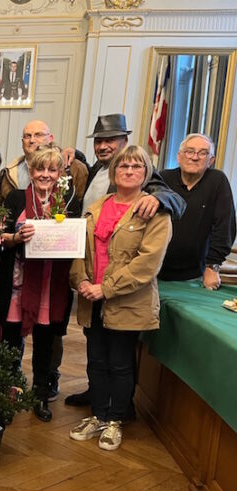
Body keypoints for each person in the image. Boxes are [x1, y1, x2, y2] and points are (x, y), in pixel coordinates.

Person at [63, 114, 186, 408]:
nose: (104, 146)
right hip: (92, 279)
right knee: (97, 355)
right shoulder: (96, 170)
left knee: (120, 359)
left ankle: (117, 411)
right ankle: (98, 398)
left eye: (111, 140)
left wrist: (161, 199)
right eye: (99, 141)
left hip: (123, 288)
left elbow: (173, 198)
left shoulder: (148, 185)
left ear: (125, 143)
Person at [69, 145, 172, 451]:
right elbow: (80, 248)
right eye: (123, 166)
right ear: (113, 172)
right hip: (92, 298)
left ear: (146, 173)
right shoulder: (97, 205)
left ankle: (116, 420)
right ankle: (98, 415)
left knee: (120, 364)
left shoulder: (155, 211)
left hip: (127, 299)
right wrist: (82, 280)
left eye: (136, 167)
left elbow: (147, 264)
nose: (128, 171)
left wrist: (107, 288)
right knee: (96, 361)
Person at [0, 144, 80, 422]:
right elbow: (1, 236)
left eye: (52, 169)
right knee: (10, 344)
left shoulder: (69, 202)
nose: (45, 174)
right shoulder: (16, 198)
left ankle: (41, 395)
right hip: (17, 285)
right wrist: (17, 238)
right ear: (30, 171)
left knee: (46, 346)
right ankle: (9, 395)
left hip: (50, 289)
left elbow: (77, 240)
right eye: (40, 168)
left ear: (60, 173)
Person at [159, 133, 236, 289]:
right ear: (179, 157)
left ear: (211, 161)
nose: (195, 157)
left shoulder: (218, 181)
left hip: (195, 275)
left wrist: (213, 266)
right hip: (155, 269)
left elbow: (224, 227)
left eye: (203, 153)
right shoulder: (163, 178)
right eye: (189, 151)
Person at [0, 120, 88, 200]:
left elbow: (80, 204)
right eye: (27, 136)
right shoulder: (9, 172)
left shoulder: (74, 167)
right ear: (22, 142)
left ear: (50, 138)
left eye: (38, 135)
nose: (32, 140)